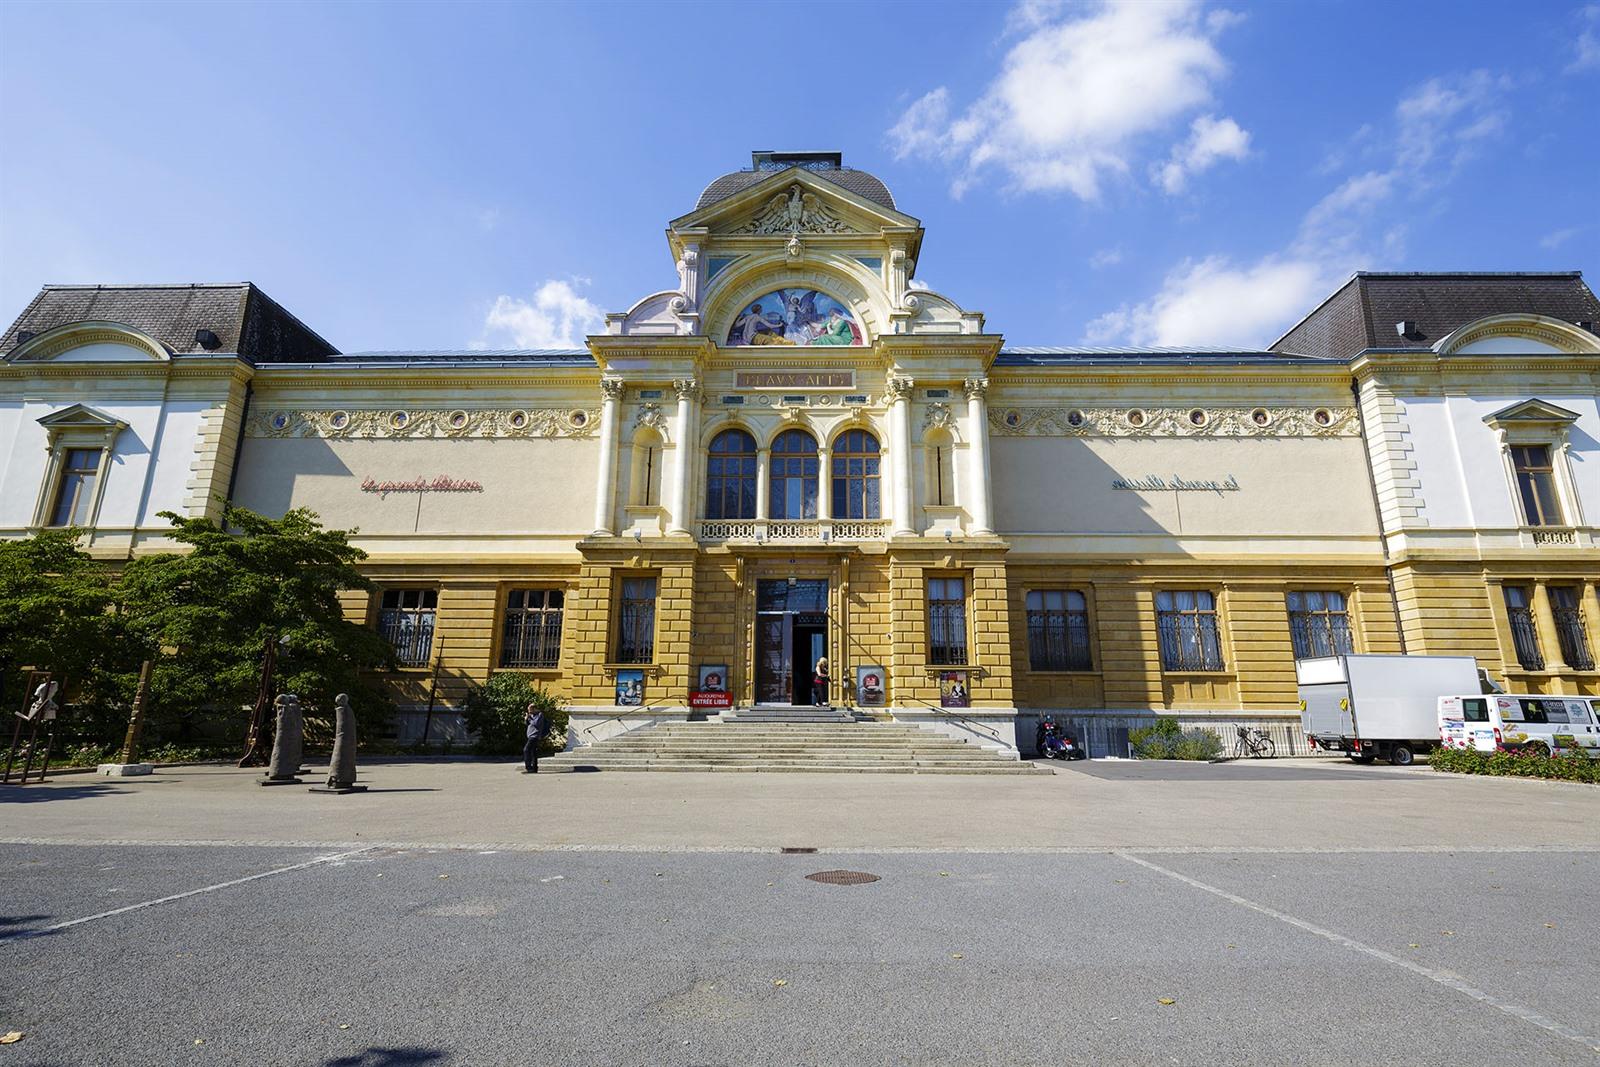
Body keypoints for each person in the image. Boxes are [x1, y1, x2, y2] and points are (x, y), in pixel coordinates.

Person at [523, 703, 549, 774]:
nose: (529, 712)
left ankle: (529, 767)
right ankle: (534, 769)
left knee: (526, 750)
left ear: (534, 709)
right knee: (533, 752)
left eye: (530, 710)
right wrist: (526, 719)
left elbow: (536, 723)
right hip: (530, 735)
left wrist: (529, 718)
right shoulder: (531, 715)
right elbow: (528, 724)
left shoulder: (540, 715)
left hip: (535, 736)